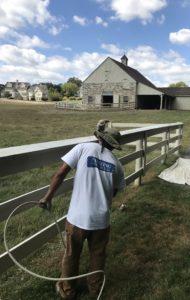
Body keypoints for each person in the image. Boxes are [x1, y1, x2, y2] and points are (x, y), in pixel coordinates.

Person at [39, 120, 126, 299]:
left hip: (77, 218)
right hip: (101, 219)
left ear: (99, 138)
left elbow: (60, 173)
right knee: (98, 255)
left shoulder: (82, 148)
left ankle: (68, 291)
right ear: (114, 146)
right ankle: (96, 290)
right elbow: (114, 192)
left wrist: (48, 197)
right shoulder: (117, 165)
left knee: (71, 255)